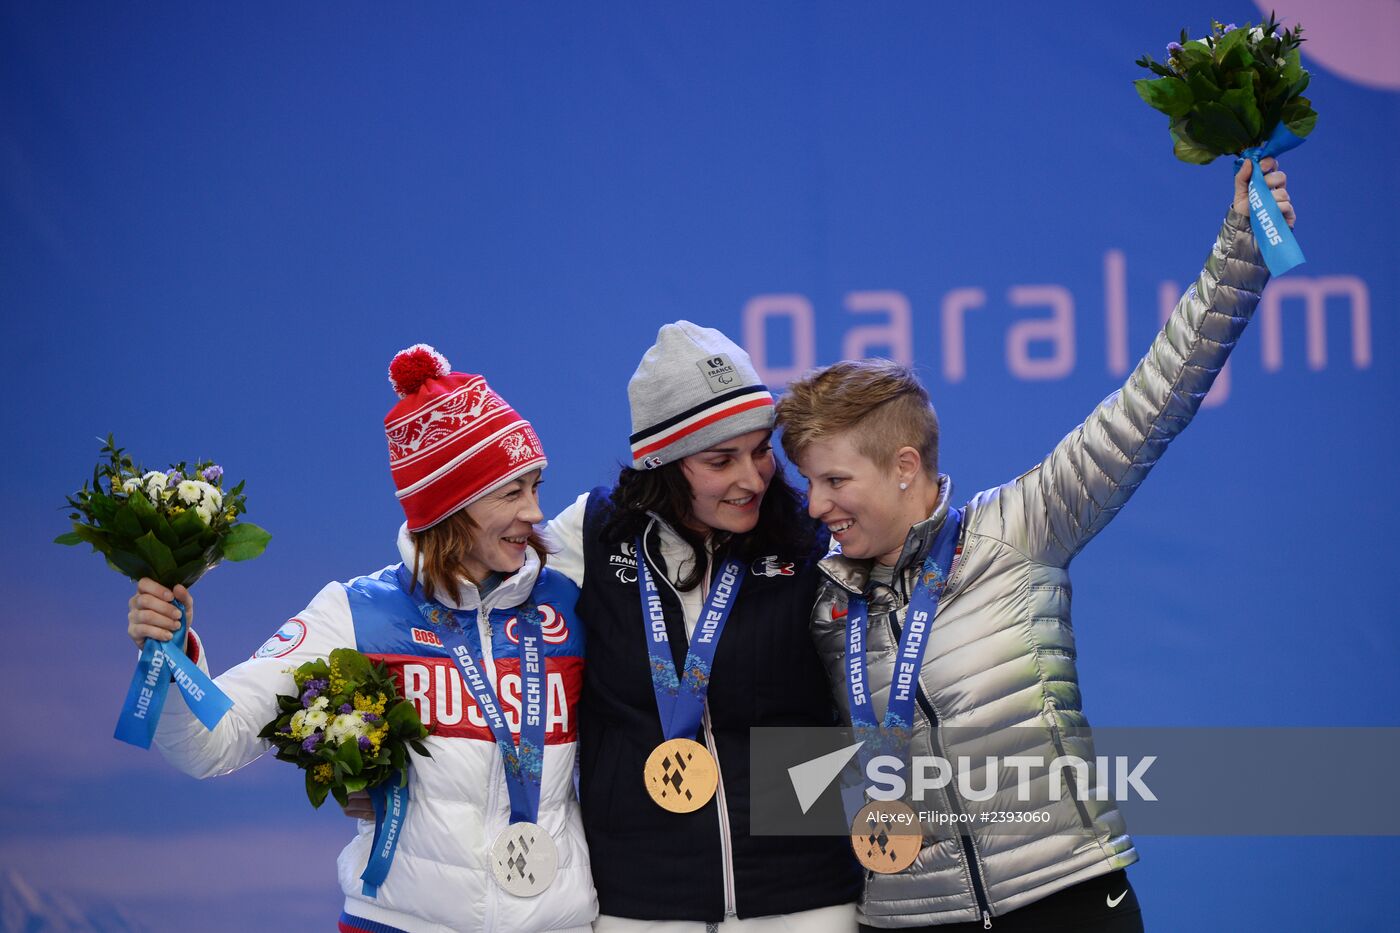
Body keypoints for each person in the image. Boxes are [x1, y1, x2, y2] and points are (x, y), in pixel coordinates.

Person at [772, 159, 1294, 931]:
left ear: (905, 465)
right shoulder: (818, 600)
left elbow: (1156, 397)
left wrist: (1244, 252)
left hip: (1068, 900)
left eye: (833, 481)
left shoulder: (1019, 529)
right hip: (908, 916)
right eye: (808, 483)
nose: (815, 505)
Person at [126, 345, 598, 933]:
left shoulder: (571, 595)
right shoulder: (354, 613)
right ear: (450, 507)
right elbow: (208, 743)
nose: (534, 511)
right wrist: (170, 654)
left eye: (536, 486)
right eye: (511, 493)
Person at [544, 322, 862, 931]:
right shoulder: (591, 533)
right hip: (641, 896)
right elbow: (459, 596)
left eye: (762, 449)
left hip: (805, 891)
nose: (753, 478)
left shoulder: (811, 534)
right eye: (721, 459)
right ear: (662, 463)